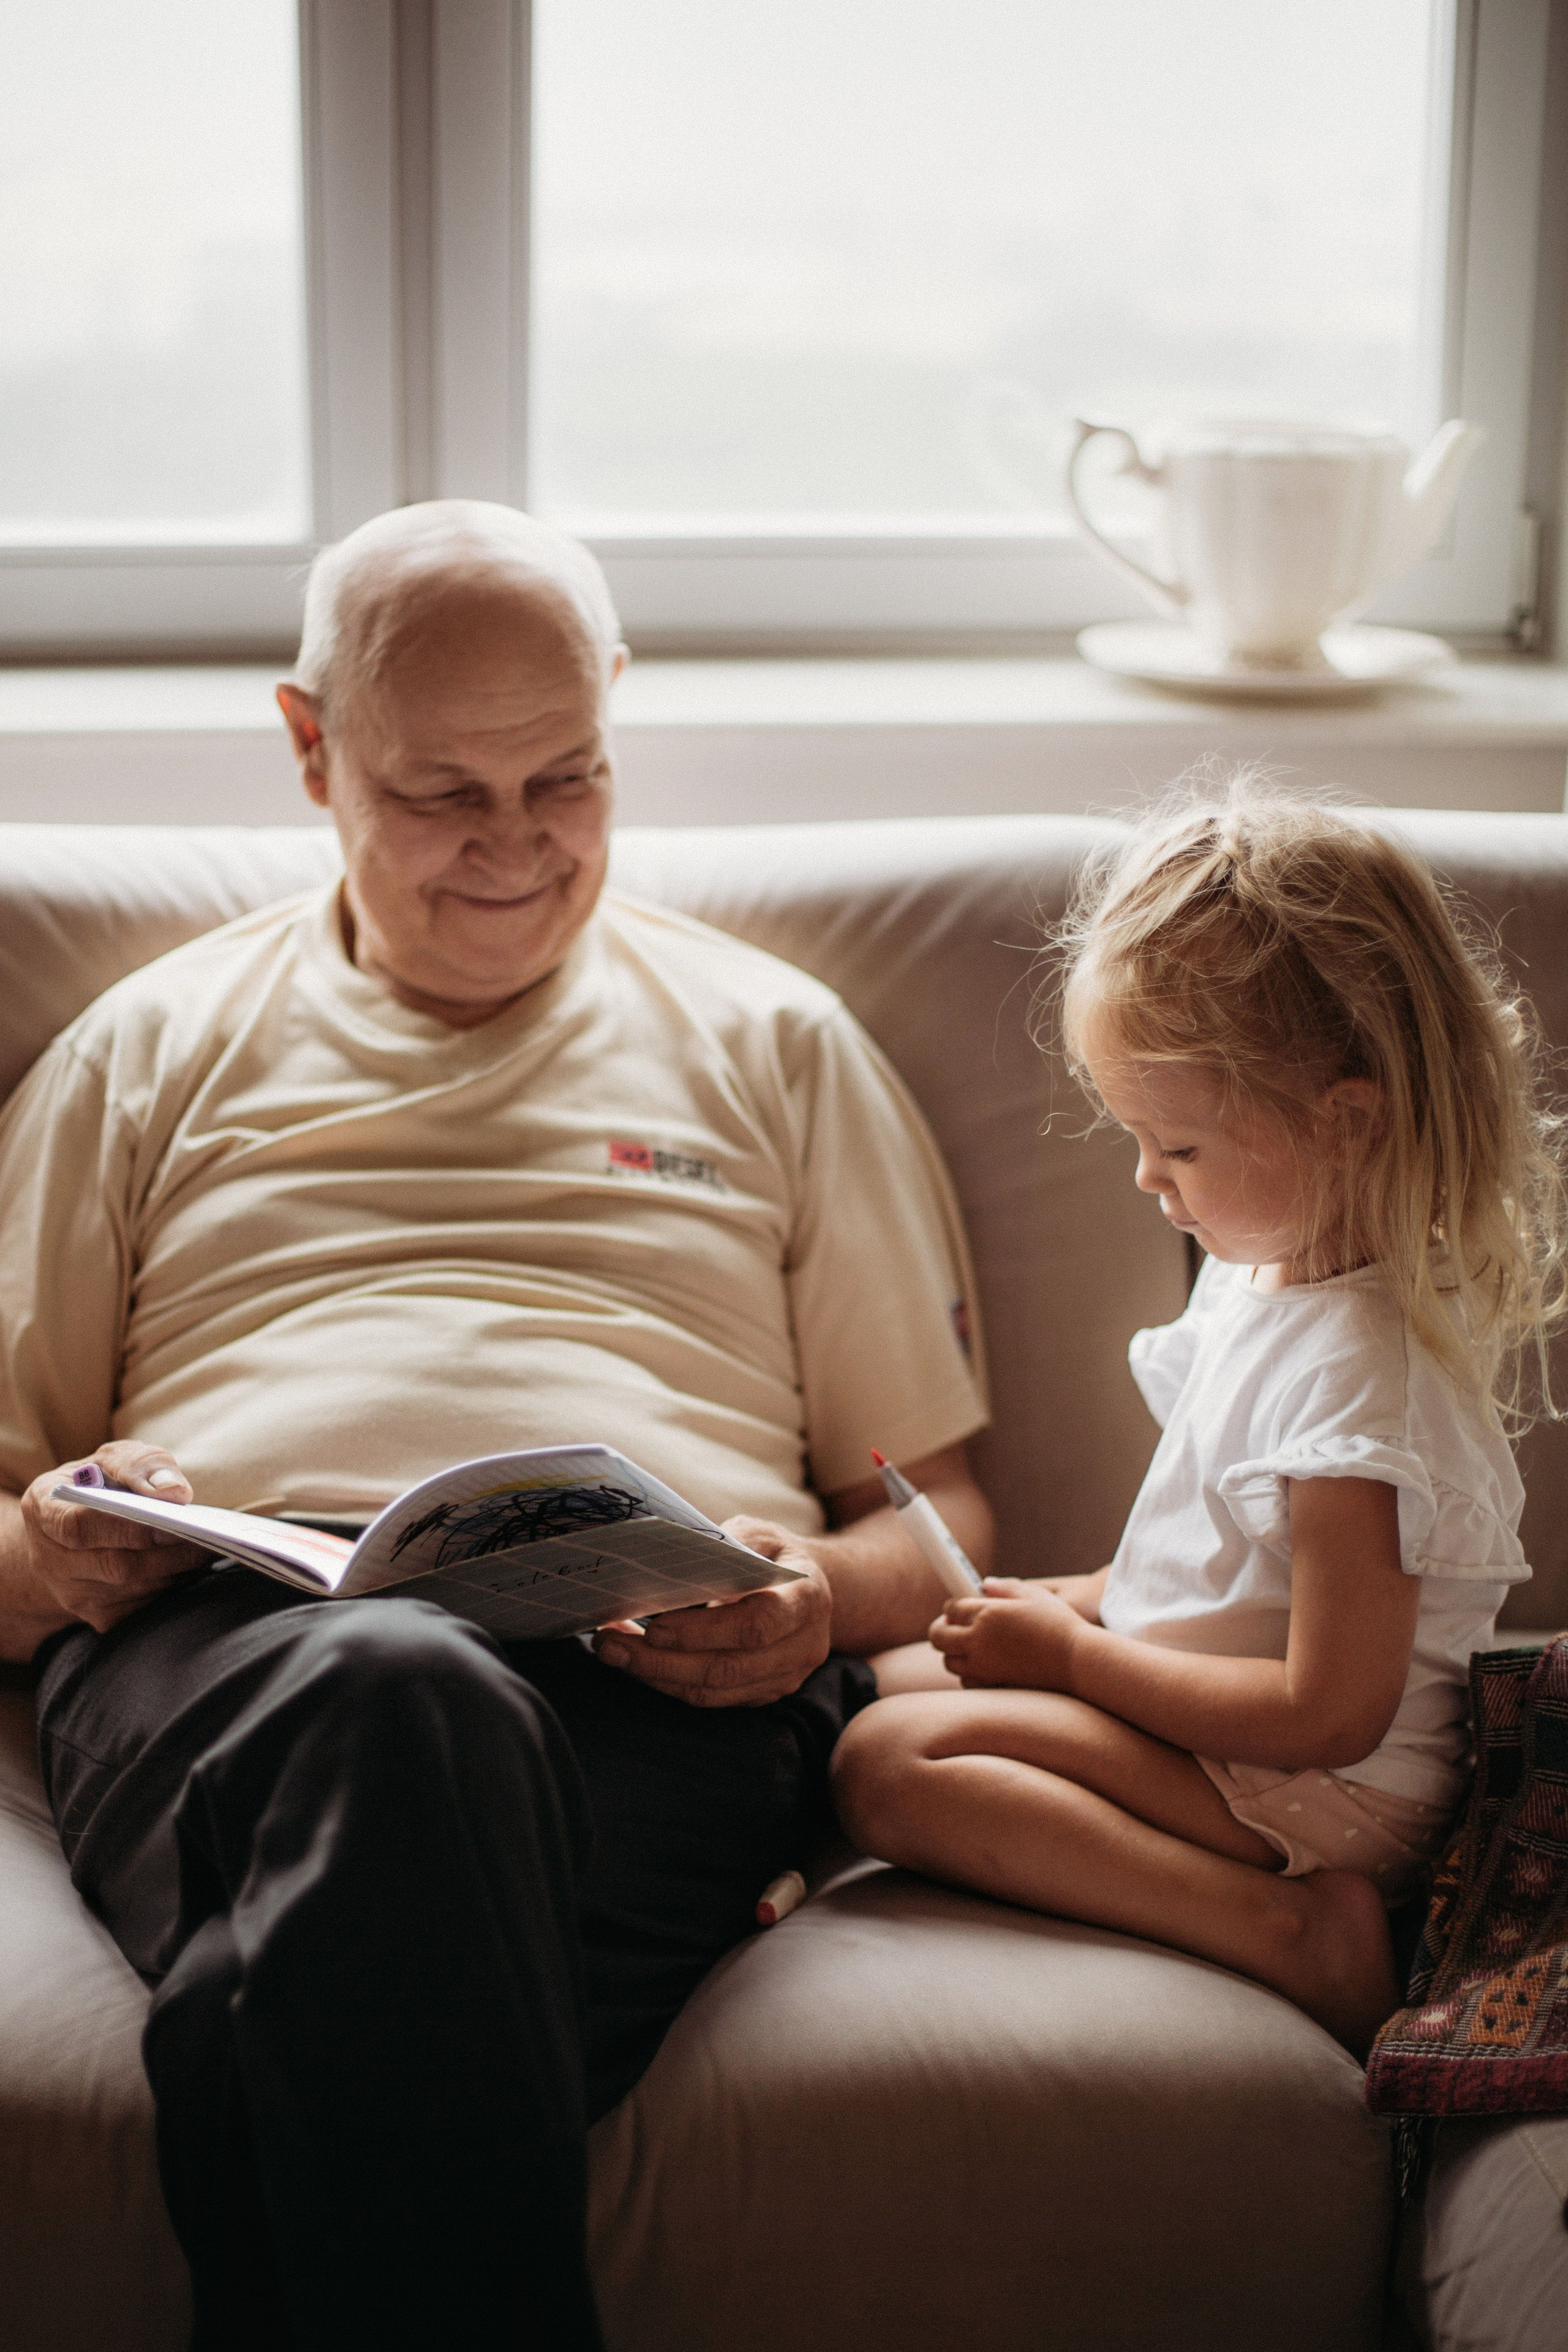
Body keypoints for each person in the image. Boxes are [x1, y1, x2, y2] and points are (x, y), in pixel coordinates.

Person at [0, 501, 993, 2350]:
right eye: (443, 791)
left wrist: (806, 1610)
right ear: (311, 747)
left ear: (617, 710)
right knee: (392, 1693)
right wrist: (52, 1548)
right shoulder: (149, 1051)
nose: (516, 846)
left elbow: (939, 1523)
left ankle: (275, 2018)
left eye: (568, 777)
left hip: (656, 1692)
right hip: (229, 1674)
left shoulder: (779, 1044)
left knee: (322, 1949)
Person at [837, 780, 1566, 2059]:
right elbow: (1196, 1567)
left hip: (1322, 1792)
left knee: (887, 1762)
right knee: (877, 1680)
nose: (1143, 1180)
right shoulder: (1260, 1274)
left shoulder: (1360, 1386)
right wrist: (1052, 1604)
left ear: (1343, 1121)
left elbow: (1326, 1713)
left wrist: (1072, 1665)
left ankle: (1292, 1934)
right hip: (1221, 1731)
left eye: (1174, 1146)